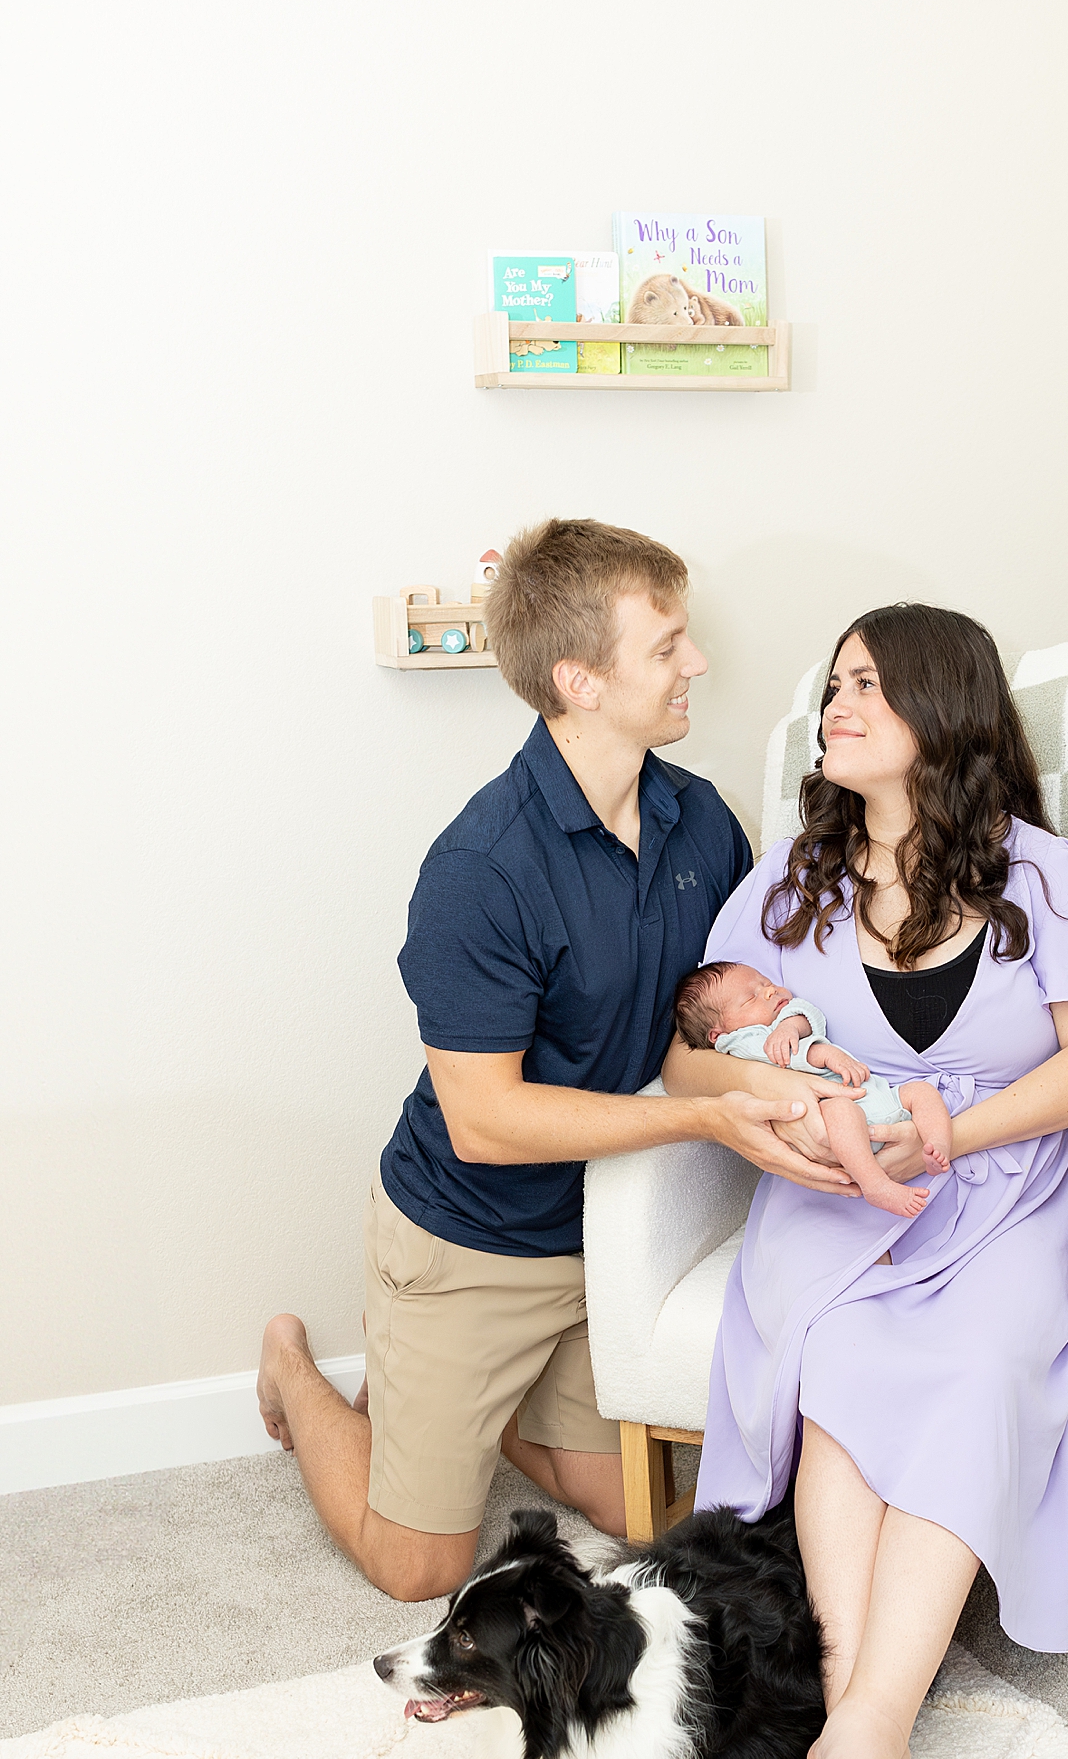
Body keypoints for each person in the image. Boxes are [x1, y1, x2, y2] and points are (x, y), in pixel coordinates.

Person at [256, 519, 865, 1604]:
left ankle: (496, 1410)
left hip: (602, 1235)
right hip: (469, 1238)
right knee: (419, 1565)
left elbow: (696, 1038)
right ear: (580, 680)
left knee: (647, 1514)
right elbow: (486, 1122)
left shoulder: (699, 824)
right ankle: (296, 1370)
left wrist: (778, 1082)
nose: (700, 665)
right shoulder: (479, 872)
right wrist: (706, 1122)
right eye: (669, 646)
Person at [663, 602, 1068, 1759]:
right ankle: (850, 1694)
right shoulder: (787, 878)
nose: (836, 705)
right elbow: (693, 1047)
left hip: (1001, 1192)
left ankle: (872, 1718)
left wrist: (955, 1136)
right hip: (840, 1200)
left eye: (867, 684)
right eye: (832, 685)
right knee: (840, 1386)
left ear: (944, 706)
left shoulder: (1040, 874)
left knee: (982, 1371)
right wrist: (763, 1130)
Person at [673, 960, 953, 1216]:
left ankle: (936, 1145)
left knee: (921, 1092)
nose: (769, 991)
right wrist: (826, 1054)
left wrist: (791, 1027)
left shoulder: (782, 1024)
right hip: (843, 1120)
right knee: (841, 1111)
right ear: (717, 1034)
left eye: (765, 983)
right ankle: (875, 1185)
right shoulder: (737, 1042)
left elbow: (807, 1013)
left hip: (879, 1099)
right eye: (751, 997)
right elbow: (785, 1055)